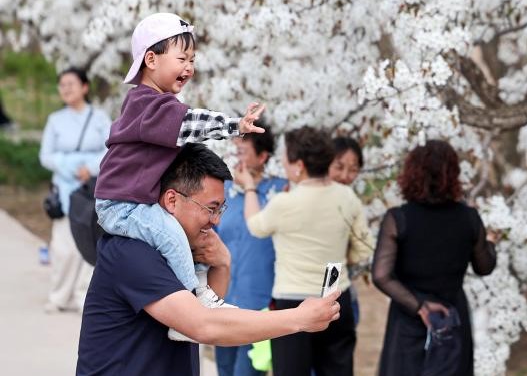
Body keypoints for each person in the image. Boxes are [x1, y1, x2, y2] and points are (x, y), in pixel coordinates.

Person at [77, 143, 342, 376]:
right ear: (172, 200)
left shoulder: (181, 248)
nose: (216, 221)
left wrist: (222, 264)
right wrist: (298, 318)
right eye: (211, 208)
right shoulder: (131, 252)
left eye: (220, 209)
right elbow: (203, 325)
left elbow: (207, 308)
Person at [94, 12, 266, 341]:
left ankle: (198, 291)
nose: (189, 67)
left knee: (188, 237)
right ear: (151, 60)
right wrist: (235, 125)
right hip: (121, 206)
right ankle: (193, 303)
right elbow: (189, 124)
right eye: (182, 58)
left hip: (136, 202)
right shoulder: (147, 105)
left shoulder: (156, 105)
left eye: (193, 60)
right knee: (172, 235)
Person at [237, 127, 373, 376]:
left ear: (299, 165)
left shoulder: (284, 203)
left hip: (292, 303)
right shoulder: (346, 196)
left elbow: (255, 226)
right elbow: (364, 249)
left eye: (286, 158)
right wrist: (340, 258)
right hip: (334, 296)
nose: (283, 163)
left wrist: (249, 187)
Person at [373, 139, 497, 376]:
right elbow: (484, 266)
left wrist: (419, 306)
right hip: (452, 317)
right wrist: (489, 243)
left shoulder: (398, 219)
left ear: (411, 174)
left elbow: (381, 275)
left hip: (409, 317)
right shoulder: (469, 218)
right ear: (453, 175)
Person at [215, 123, 287, 376]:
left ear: (263, 156)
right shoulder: (222, 190)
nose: (236, 157)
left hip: (260, 305)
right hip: (223, 302)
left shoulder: (280, 192)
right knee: (224, 371)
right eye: (234, 150)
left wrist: (249, 187)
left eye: (242, 151)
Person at [38, 67, 111, 313]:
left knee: (90, 244)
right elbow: (46, 156)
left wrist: (90, 167)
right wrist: (70, 166)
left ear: (84, 87)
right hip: (64, 188)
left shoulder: (100, 118)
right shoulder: (55, 120)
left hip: (91, 189)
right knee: (63, 248)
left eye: (71, 83)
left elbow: (110, 149)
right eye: (62, 85)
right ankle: (59, 296)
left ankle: (84, 296)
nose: (66, 89)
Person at [329, 136, 365, 325]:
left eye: (353, 169)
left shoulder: (351, 204)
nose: (345, 176)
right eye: (339, 166)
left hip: (338, 299)